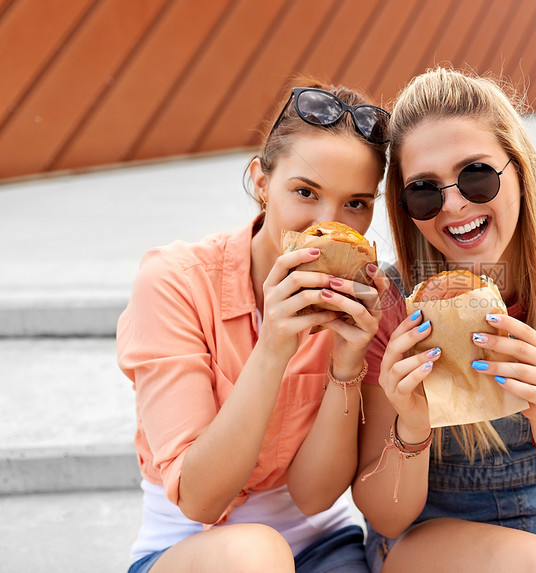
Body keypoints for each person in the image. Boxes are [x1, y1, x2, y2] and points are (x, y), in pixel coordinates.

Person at [352, 67, 536, 572]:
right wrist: (413, 422)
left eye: (476, 174)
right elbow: (388, 516)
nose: (455, 204)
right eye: (425, 189)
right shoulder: (392, 305)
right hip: (427, 529)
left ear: (520, 169)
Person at [116, 79, 390, 573]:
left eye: (356, 203)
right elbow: (200, 499)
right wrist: (273, 350)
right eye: (305, 192)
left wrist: (347, 368)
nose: (327, 224)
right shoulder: (174, 283)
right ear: (261, 182)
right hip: (192, 547)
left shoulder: (362, 302)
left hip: (321, 544)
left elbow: (315, 497)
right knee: (255, 556)